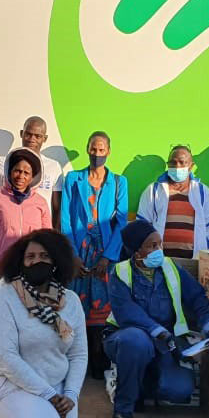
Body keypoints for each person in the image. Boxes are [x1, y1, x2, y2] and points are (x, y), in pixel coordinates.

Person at [0, 229, 86, 418]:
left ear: (56, 262)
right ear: (20, 262)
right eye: (30, 257)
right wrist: (48, 395)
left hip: (58, 389)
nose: (36, 261)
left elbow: (78, 354)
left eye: (44, 256)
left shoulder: (71, 301)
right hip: (12, 387)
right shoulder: (5, 296)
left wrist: (71, 395)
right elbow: (5, 356)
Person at [104, 220, 209, 418]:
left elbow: (197, 298)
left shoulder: (170, 268)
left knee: (180, 390)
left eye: (160, 244)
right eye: (151, 246)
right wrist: (157, 331)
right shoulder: (120, 273)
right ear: (136, 251)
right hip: (129, 337)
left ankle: (140, 384)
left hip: (167, 342)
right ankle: (123, 407)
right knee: (135, 342)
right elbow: (127, 313)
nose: (159, 250)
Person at [60, 131, 128, 378]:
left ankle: (99, 359)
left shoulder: (119, 182)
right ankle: (75, 360)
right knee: (75, 305)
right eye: (93, 149)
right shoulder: (73, 179)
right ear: (87, 149)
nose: (97, 154)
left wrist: (108, 257)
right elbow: (66, 220)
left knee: (102, 305)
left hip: (105, 255)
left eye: (101, 150)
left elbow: (121, 222)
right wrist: (73, 256)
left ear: (108, 151)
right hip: (79, 253)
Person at [136, 145, 209, 259]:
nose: (177, 166)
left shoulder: (203, 192)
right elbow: (142, 226)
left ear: (191, 166)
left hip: (194, 260)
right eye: (172, 163)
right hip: (160, 260)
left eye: (182, 162)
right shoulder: (153, 190)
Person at [0, 148, 52, 282]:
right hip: (2, 270)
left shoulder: (40, 202)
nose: (21, 176)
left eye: (26, 173)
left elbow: (48, 241)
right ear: (9, 171)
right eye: (17, 171)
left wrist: (46, 271)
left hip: (33, 271)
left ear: (33, 177)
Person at [0, 116, 64, 219]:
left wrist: (54, 234)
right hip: (8, 228)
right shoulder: (1, 163)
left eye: (37, 136)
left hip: (41, 230)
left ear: (44, 139)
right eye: (28, 134)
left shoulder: (53, 167)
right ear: (21, 133)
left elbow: (57, 209)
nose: (32, 139)